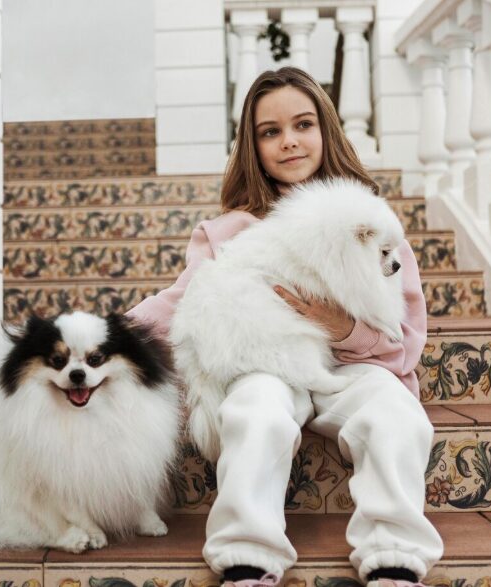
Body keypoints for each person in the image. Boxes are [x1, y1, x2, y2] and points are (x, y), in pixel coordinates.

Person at [125, 67, 444, 587]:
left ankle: (396, 556)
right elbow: (183, 301)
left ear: (326, 130)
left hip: (355, 370)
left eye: (302, 124)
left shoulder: (372, 222)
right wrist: (115, 332)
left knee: (395, 416)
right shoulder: (228, 231)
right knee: (254, 411)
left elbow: (402, 348)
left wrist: (339, 326)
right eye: (270, 132)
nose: (289, 142)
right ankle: (247, 554)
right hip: (268, 364)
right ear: (252, 146)